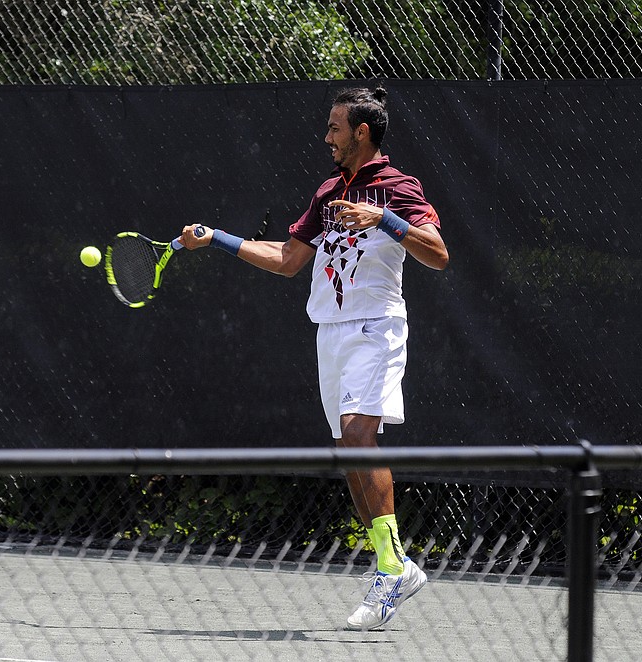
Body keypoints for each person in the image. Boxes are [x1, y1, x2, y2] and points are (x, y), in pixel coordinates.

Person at [179, 86, 449, 630]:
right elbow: (287, 259)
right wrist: (218, 239)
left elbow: (437, 254)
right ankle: (393, 565)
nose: (326, 137)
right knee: (350, 455)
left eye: (334, 128)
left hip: (376, 329)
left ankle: (393, 565)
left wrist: (384, 222)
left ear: (361, 133)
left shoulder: (398, 188)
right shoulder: (328, 192)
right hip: (330, 333)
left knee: (356, 435)